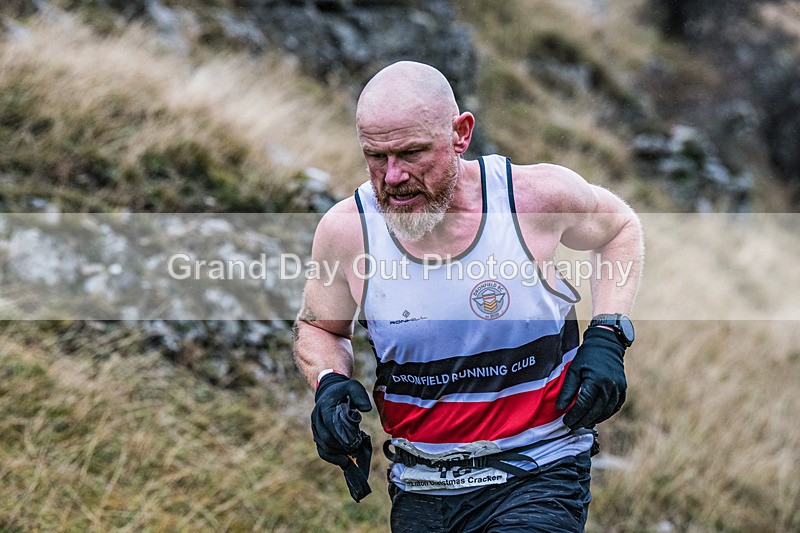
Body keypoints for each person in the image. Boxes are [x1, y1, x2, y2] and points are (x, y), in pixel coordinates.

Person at [293, 60, 644, 532]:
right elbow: (319, 327)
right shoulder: (348, 231)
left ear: (460, 134)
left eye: (412, 153)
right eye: (376, 156)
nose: (392, 176)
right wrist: (329, 384)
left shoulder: (530, 199)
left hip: (539, 472)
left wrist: (607, 335)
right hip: (421, 486)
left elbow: (620, 228)